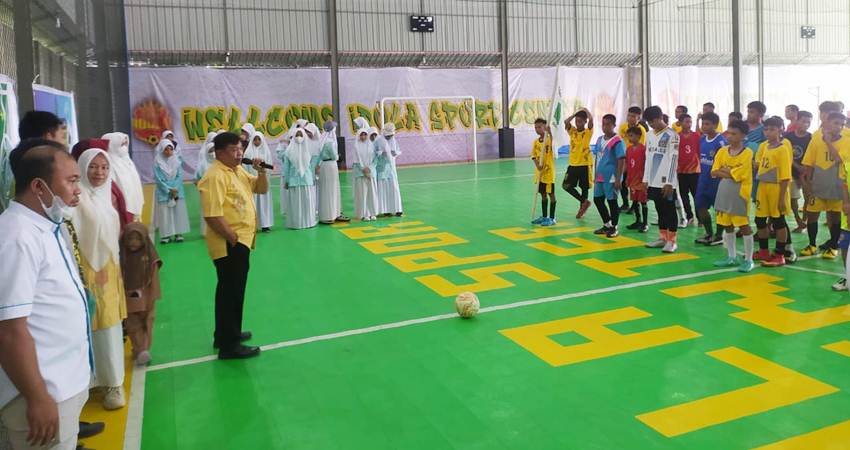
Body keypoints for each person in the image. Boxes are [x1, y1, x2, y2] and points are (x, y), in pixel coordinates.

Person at [0, 141, 91, 450]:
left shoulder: (43, 227)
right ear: (39, 186)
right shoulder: (17, 237)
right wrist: (37, 396)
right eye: (71, 181)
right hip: (40, 392)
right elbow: (10, 330)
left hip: (60, 384)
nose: (78, 189)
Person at [198, 132, 268, 360]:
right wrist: (233, 239)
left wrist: (261, 171)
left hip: (240, 242)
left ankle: (225, 334)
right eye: (234, 150)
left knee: (229, 291)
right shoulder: (215, 175)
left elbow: (261, 189)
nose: (239, 154)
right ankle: (230, 346)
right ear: (219, 153)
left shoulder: (236, 170)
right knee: (232, 292)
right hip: (230, 244)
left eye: (241, 149)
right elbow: (212, 215)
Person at [70, 148, 127, 411]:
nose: (99, 172)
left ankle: (113, 382)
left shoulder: (104, 197)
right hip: (83, 270)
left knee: (108, 327)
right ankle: (90, 382)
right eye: (93, 167)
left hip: (108, 270)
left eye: (104, 167)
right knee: (85, 328)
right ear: (82, 167)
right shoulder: (75, 198)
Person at [800, 111, 850, 259]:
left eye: (842, 124)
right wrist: (807, 186)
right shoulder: (815, 140)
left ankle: (833, 246)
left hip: (836, 184)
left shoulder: (846, 141)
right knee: (812, 215)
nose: (839, 127)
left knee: (835, 216)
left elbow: (838, 159)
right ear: (826, 122)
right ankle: (812, 244)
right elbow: (809, 164)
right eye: (836, 123)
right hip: (817, 184)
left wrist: (828, 141)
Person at [712, 120, 756, 273]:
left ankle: (749, 259)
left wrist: (726, 171)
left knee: (743, 226)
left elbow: (741, 175)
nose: (729, 136)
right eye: (728, 133)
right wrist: (729, 172)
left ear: (743, 136)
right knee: (727, 224)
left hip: (740, 193)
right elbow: (715, 171)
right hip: (724, 190)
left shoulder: (748, 153)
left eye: (734, 134)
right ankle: (731, 256)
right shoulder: (722, 151)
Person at [1, 112, 65, 213]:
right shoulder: (43, 164)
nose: (64, 144)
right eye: (62, 137)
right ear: (49, 137)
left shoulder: (17, 157)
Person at [753, 117, 793, 267]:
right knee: (760, 221)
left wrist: (782, 198)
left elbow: (785, 177)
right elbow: (759, 165)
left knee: (778, 222)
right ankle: (763, 251)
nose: (768, 132)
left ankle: (780, 254)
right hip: (763, 187)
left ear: (780, 130)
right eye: (766, 129)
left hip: (777, 189)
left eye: (772, 129)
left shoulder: (782, 149)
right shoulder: (764, 146)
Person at [120, 223, 162, 366]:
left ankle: (142, 349)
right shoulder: (122, 256)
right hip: (128, 298)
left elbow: (154, 278)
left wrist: (154, 295)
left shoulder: (149, 256)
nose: (133, 243)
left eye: (137, 239)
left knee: (147, 323)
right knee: (133, 325)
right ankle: (141, 349)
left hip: (147, 297)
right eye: (130, 239)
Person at [641, 106, 680, 253]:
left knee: (670, 210)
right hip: (653, 181)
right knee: (659, 209)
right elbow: (648, 158)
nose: (651, 125)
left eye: (652, 121)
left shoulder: (672, 135)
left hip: (667, 182)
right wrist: (645, 179)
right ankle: (662, 237)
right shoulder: (649, 135)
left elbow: (673, 160)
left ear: (659, 118)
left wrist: (669, 182)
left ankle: (672, 241)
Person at [693, 112, 729, 246]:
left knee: (719, 209)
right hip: (703, 180)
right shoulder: (702, 139)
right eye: (703, 123)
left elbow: (726, 162)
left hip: (717, 181)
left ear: (715, 125)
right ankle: (708, 233)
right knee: (700, 206)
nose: (704, 126)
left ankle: (719, 235)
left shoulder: (721, 142)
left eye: (707, 124)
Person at [591, 115, 627, 238]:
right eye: (603, 123)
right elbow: (597, 157)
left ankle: (614, 227)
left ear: (613, 125)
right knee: (598, 200)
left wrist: (618, 178)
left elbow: (621, 160)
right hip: (599, 177)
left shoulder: (618, 141)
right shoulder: (599, 139)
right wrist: (594, 174)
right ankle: (607, 224)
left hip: (611, 177)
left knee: (612, 201)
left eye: (608, 124)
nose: (605, 126)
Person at [280, 129, 319, 229]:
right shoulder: (288, 151)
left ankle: (308, 222)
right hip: (294, 181)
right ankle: (296, 223)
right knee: (295, 204)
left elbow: (313, 165)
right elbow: (286, 167)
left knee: (307, 202)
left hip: (307, 180)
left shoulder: (310, 150)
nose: (299, 137)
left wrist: (314, 177)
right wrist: (286, 180)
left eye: (301, 135)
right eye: (296, 135)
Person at [153, 139, 189, 244]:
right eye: (166, 149)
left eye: (171, 149)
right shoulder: (157, 161)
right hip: (164, 191)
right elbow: (158, 178)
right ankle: (166, 235)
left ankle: (179, 233)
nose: (169, 152)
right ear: (162, 150)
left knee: (178, 212)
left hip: (177, 191)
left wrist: (175, 188)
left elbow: (179, 176)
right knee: (165, 214)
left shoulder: (177, 161)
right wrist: (168, 189)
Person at [102, 132, 144, 221]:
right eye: (121, 145)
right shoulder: (107, 164)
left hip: (134, 207)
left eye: (125, 144)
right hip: (120, 209)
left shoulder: (128, 162)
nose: (124, 148)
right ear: (111, 145)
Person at [783, 111, 813, 233]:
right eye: (803, 121)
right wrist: (796, 166)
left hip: (806, 172)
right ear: (797, 121)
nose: (806, 124)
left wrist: (805, 169)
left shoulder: (811, 137)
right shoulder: (788, 137)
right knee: (793, 199)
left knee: (808, 197)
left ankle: (804, 221)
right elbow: (786, 155)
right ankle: (797, 219)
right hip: (791, 172)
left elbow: (813, 155)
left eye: (808, 122)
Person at [563, 108, 594, 219]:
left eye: (580, 121)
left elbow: (591, 120)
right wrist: (574, 114)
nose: (577, 123)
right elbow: (566, 122)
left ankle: (582, 210)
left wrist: (586, 110)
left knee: (584, 188)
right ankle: (584, 202)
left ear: (585, 122)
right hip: (573, 164)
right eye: (576, 121)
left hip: (585, 164)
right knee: (566, 186)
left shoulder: (587, 132)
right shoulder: (573, 131)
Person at [317, 121, 349, 224]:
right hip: (331, 166)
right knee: (332, 190)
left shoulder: (322, 140)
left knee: (326, 190)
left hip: (324, 166)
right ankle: (332, 214)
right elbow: (335, 156)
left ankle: (329, 214)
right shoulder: (330, 142)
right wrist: (338, 156)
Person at [244, 131, 275, 232]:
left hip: (263, 180)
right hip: (252, 183)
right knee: (252, 204)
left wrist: (263, 173)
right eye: (255, 139)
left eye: (259, 139)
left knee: (264, 203)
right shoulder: (248, 152)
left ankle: (265, 224)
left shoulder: (266, 151)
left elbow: (269, 167)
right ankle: (252, 224)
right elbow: (244, 167)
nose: (257, 141)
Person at [618, 106, 646, 213]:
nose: (630, 118)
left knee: (635, 183)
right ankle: (625, 203)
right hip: (624, 158)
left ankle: (635, 205)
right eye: (629, 115)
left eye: (633, 116)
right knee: (623, 181)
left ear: (639, 117)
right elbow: (620, 141)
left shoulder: (641, 130)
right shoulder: (623, 127)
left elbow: (641, 147)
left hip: (635, 160)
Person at [374, 123, 404, 218]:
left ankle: (397, 209)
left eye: (391, 135)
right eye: (388, 135)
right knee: (383, 187)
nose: (390, 137)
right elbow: (374, 152)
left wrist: (395, 153)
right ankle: (385, 210)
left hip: (391, 168)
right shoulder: (378, 140)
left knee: (393, 186)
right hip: (382, 167)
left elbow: (398, 150)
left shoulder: (393, 140)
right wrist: (382, 153)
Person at [531, 118, 556, 226]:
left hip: (548, 173)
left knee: (551, 194)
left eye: (539, 127)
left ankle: (552, 218)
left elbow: (552, 140)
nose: (537, 129)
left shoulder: (548, 139)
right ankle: (544, 216)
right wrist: (537, 165)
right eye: (535, 127)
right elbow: (533, 156)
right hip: (540, 174)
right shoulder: (535, 142)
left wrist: (549, 132)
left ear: (544, 127)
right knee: (543, 195)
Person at [677, 114, 701, 227]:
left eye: (690, 122)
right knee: (683, 194)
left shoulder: (696, 136)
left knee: (696, 195)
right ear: (680, 123)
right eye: (686, 121)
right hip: (681, 171)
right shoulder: (677, 137)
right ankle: (689, 216)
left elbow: (700, 152)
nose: (689, 124)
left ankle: (700, 218)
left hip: (694, 171)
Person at [625, 126, 649, 233]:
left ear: (639, 136)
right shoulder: (628, 149)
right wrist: (626, 178)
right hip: (632, 180)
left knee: (643, 202)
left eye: (632, 136)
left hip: (641, 180)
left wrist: (646, 179)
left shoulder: (644, 149)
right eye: (628, 136)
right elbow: (628, 164)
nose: (630, 138)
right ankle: (638, 221)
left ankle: (645, 223)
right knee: (635, 201)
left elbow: (647, 165)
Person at [195, 132, 219, 235]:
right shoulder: (202, 165)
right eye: (210, 151)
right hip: (206, 193)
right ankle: (206, 231)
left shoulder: (220, 164)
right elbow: (196, 179)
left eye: (214, 150)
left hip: (218, 192)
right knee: (207, 211)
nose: (212, 153)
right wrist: (203, 188)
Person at [352, 128, 379, 221]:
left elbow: (375, 160)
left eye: (365, 135)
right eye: (361, 135)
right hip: (361, 174)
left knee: (372, 193)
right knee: (362, 194)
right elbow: (356, 161)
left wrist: (369, 169)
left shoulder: (372, 145)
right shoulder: (356, 146)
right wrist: (363, 170)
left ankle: (373, 213)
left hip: (371, 173)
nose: (363, 137)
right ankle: (364, 214)